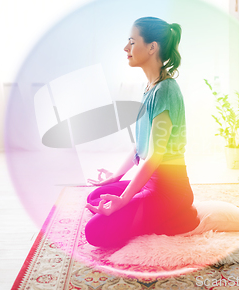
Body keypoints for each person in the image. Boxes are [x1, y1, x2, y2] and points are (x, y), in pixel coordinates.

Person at [84, 17, 199, 249]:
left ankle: (179, 216)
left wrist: (125, 198)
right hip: (150, 182)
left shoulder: (166, 89)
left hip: (170, 189)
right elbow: (140, 146)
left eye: (132, 42)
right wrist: (116, 177)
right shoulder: (150, 87)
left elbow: (155, 156)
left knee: (94, 232)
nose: (126, 48)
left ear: (152, 47)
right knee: (96, 196)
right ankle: (152, 214)